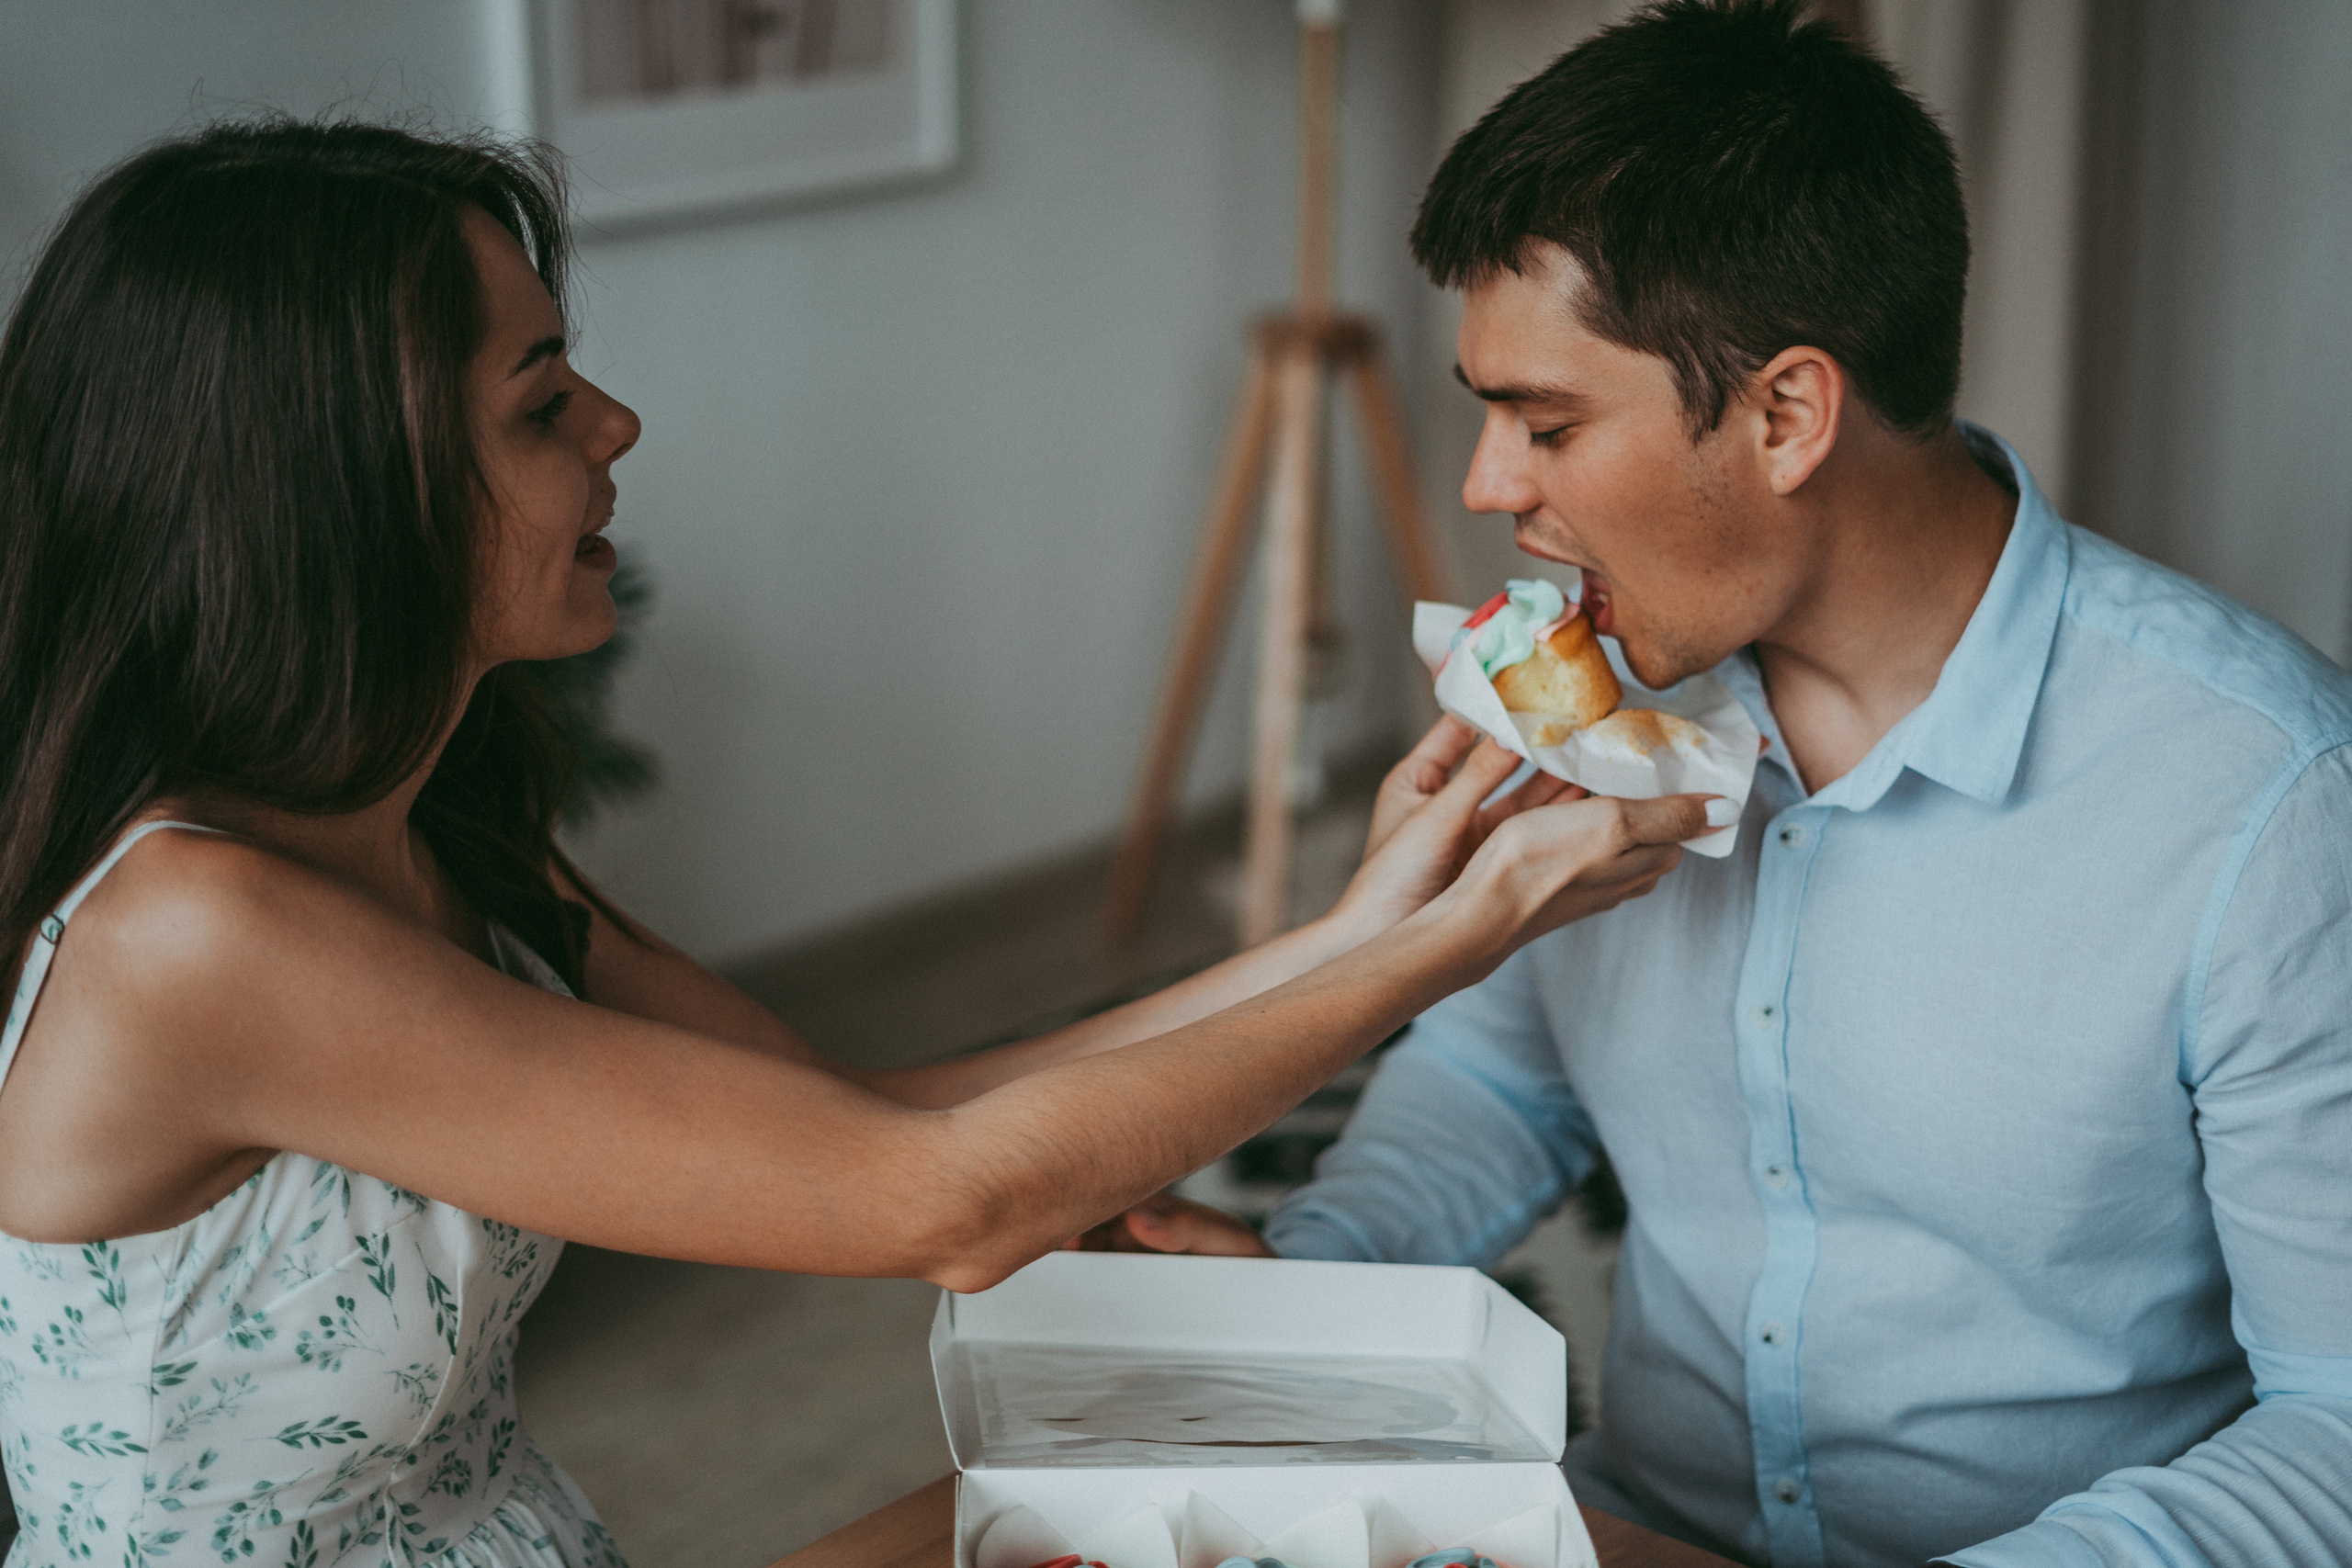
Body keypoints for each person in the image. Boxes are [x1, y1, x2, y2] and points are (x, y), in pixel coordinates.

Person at [0, 120, 1721, 1568]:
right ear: (341, 488)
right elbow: (949, 1203)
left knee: (1256, 1492)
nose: (615, 426)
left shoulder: (432, 830)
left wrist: (1366, 918)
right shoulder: (198, 935)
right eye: (539, 405)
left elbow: (883, 1121)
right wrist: (1457, 936)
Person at [1084, 4, 2352, 1567]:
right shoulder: (1590, 715)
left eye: (1545, 424)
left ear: (1787, 414)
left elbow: (2338, 1425)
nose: (1488, 487)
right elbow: (1499, 1076)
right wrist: (1323, 1280)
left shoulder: (2268, 803)